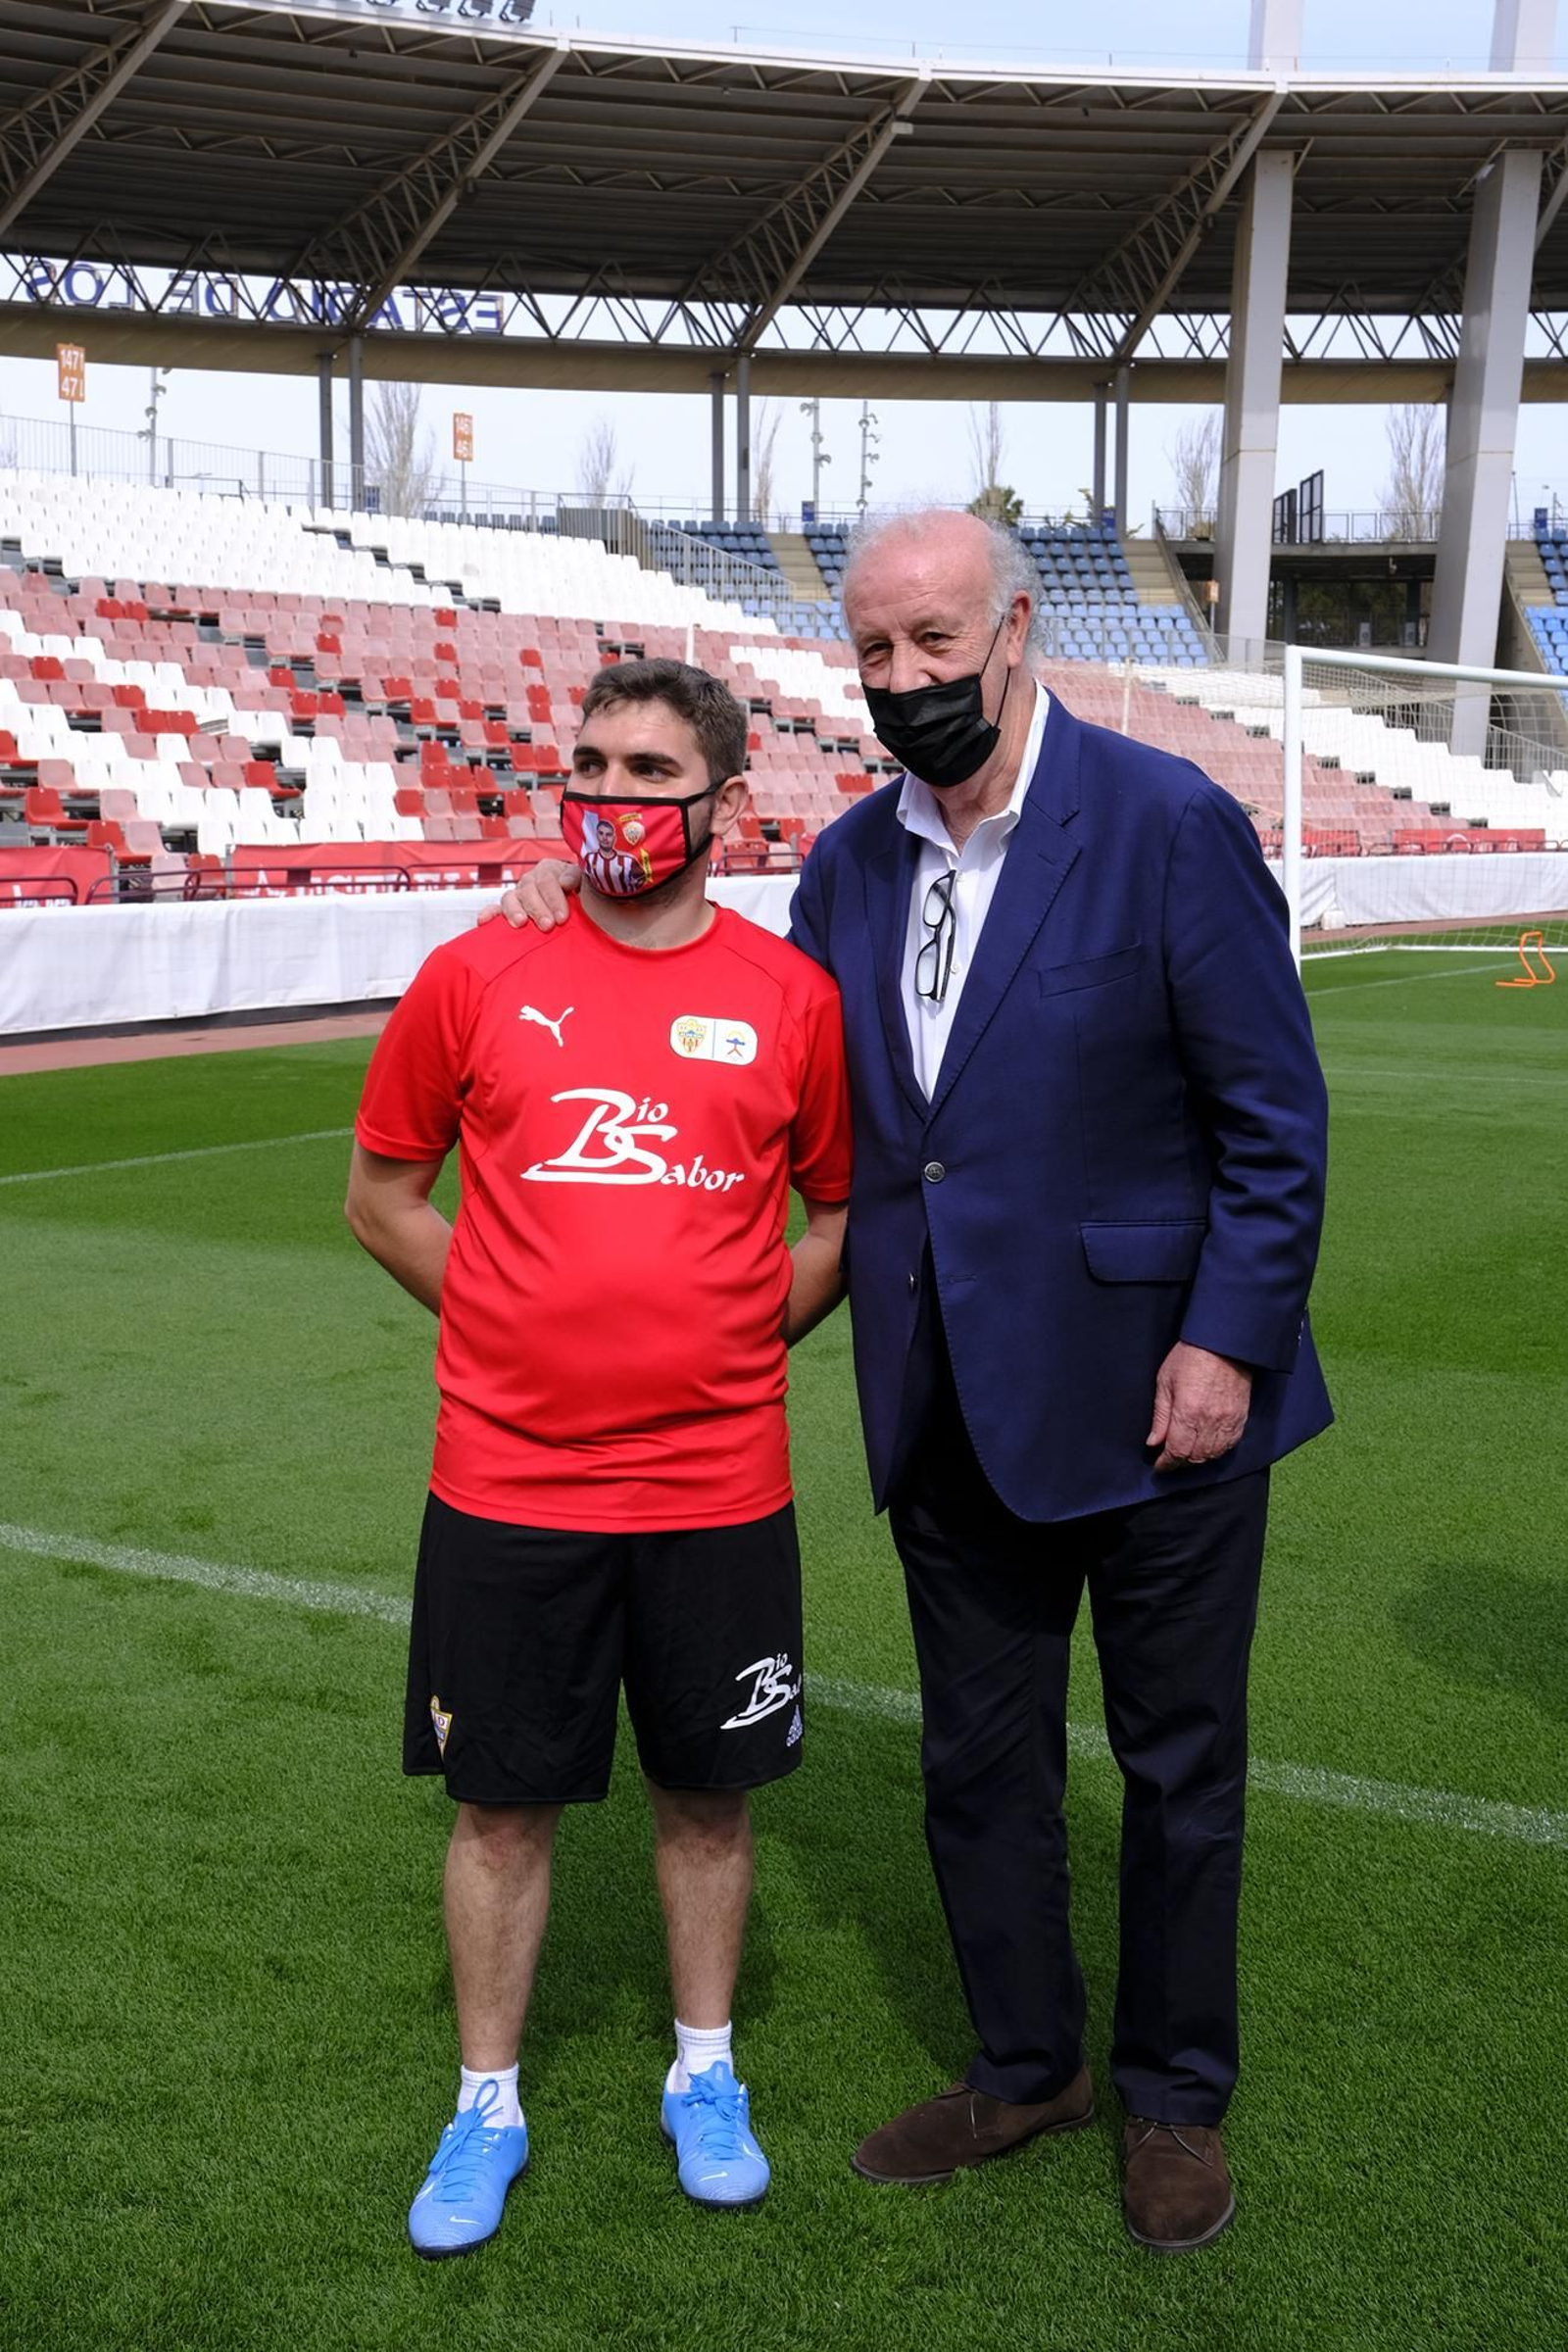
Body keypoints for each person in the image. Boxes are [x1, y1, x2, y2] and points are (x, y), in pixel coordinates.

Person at [493, 509, 1332, 2256]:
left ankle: (1176, 2094)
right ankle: (1027, 2066)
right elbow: (797, 1101)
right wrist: (567, 916)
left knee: (1180, 1769)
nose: (903, 682)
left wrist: (1226, 1341)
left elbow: (1273, 1120)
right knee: (980, 1763)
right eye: (874, 654)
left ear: (1016, 630)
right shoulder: (851, 871)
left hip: (1164, 1400)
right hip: (947, 1399)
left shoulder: (1168, 823)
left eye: (933, 646)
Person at [346, 658, 852, 2256]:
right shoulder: (477, 972)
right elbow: (381, 1195)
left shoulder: (793, 999)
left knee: (709, 1800)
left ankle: (705, 2072)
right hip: (506, 1484)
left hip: (718, 1489)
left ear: (723, 803)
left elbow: (834, 1220)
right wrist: (500, 1317)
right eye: (594, 766)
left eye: (650, 771)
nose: (618, 797)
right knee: (500, 1808)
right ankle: (484, 2100)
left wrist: (727, 1342)